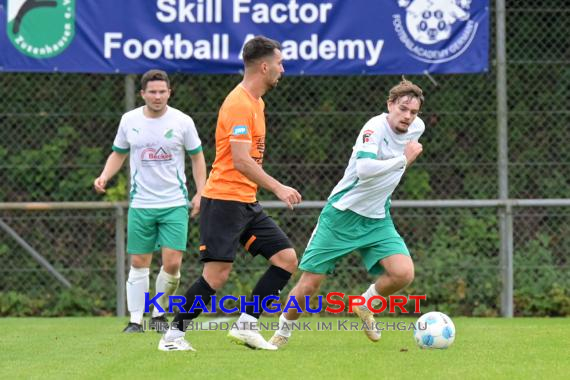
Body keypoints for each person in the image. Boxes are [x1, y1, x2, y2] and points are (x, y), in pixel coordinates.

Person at [159, 35, 302, 352]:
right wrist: (278, 186)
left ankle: (247, 325)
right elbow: (240, 160)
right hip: (224, 200)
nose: (282, 69)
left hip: (246, 202)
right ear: (264, 66)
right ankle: (172, 337)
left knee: (286, 259)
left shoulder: (257, 102)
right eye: (279, 63)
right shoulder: (238, 104)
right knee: (217, 275)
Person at [269, 79, 425, 347]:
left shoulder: (416, 128)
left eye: (413, 112)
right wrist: (403, 160)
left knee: (403, 273)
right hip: (342, 215)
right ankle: (282, 332)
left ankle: (364, 303)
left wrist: (400, 162)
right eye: (402, 109)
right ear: (390, 105)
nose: (408, 117)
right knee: (310, 284)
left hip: (377, 217)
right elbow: (364, 169)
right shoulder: (374, 128)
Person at [94, 69, 207, 333]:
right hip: (141, 204)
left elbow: (197, 157)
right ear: (143, 93)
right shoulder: (129, 120)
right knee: (139, 263)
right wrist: (104, 176)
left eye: (162, 91)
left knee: (172, 263)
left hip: (174, 203)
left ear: (169, 92)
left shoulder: (182, 121)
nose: (157, 96)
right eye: (152, 92)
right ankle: (135, 320)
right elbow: (118, 153)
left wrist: (201, 192)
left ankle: (159, 313)